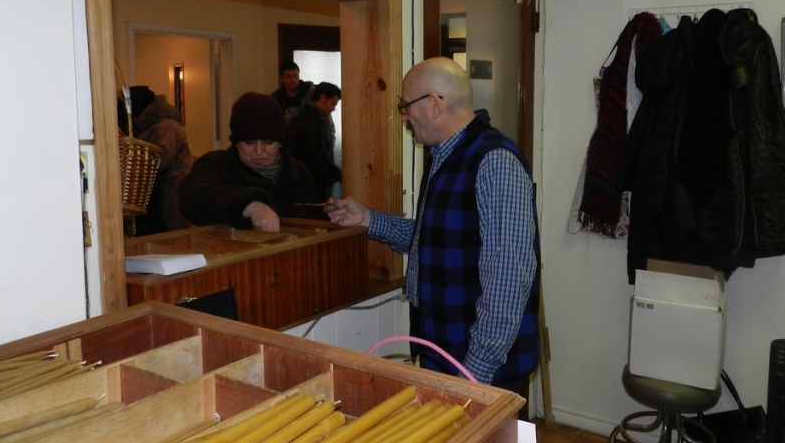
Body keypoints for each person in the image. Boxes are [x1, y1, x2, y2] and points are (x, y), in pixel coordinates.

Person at [325, 57, 540, 395]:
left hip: (482, 371)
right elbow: (436, 239)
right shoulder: (445, 156)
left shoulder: (494, 160)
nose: (403, 117)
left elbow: (507, 279)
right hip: (446, 355)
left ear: (434, 105)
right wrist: (367, 219)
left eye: (405, 106)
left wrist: (473, 375)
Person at [179, 92, 324, 232]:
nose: (259, 151)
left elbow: (316, 221)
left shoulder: (298, 171)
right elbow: (191, 195)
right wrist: (248, 205)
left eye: (268, 142)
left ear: (280, 142)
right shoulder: (217, 165)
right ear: (236, 143)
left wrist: (331, 214)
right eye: (249, 142)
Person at [135, 91, 194, 234]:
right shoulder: (160, 125)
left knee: (176, 234)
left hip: (172, 189)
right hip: (167, 188)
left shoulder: (166, 127)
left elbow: (161, 159)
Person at [287, 82, 342, 199]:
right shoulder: (314, 121)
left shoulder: (301, 118)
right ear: (323, 98)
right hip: (314, 180)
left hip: (304, 179)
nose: (333, 109)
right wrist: (340, 175)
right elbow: (319, 156)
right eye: (333, 104)